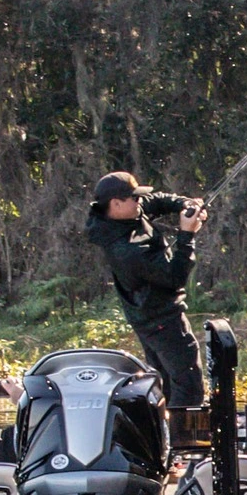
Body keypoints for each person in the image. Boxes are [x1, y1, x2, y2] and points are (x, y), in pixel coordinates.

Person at [84, 170, 209, 406]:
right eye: (134, 198)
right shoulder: (125, 250)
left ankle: (168, 435)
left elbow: (156, 200)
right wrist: (187, 235)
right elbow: (175, 277)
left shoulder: (124, 214)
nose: (140, 201)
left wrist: (185, 204)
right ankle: (185, 439)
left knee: (168, 385)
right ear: (116, 204)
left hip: (148, 319)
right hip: (161, 321)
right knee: (188, 386)